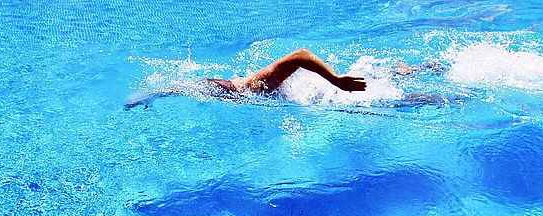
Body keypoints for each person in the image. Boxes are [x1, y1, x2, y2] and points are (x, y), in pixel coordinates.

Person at [126, 47, 367, 109]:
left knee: (185, 88)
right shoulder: (260, 87)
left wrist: (335, 81)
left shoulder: (264, 88)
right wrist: (335, 80)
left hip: (235, 89)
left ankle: (151, 93)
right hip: (232, 89)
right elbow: (300, 55)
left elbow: (300, 57)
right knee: (185, 89)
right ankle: (150, 94)